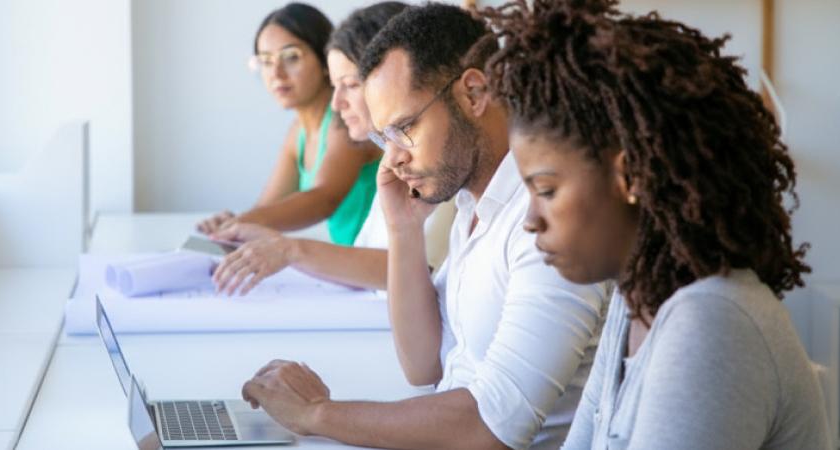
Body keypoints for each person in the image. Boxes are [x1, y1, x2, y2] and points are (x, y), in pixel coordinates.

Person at [239, 5, 608, 449]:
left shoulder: (545, 220)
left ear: (473, 93)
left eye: (405, 128)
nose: (392, 158)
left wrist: (317, 414)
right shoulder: (474, 199)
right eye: (384, 138)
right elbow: (424, 367)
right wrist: (403, 230)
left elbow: (491, 427)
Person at [481, 1, 831, 448]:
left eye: (546, 190)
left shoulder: (711, 321)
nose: (531, 220)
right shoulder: (635, 308)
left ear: (630, 177)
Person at [209, 2, 456, 295]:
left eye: (350, 84)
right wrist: (240, 227)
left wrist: (289, 249)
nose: (337, 104)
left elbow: (324, 198)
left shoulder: (435, 163)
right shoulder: (393, 161)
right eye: (264, 60)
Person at [196, 3, 381, 247]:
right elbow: (266, 209)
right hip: (350, 273)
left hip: (375, 271)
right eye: (266, 61)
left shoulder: (347, 121)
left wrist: (243, 223)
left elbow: (323, 199)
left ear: (325, 59)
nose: (276, 73)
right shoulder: (299, 131)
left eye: (291, 57)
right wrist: (236, 222)